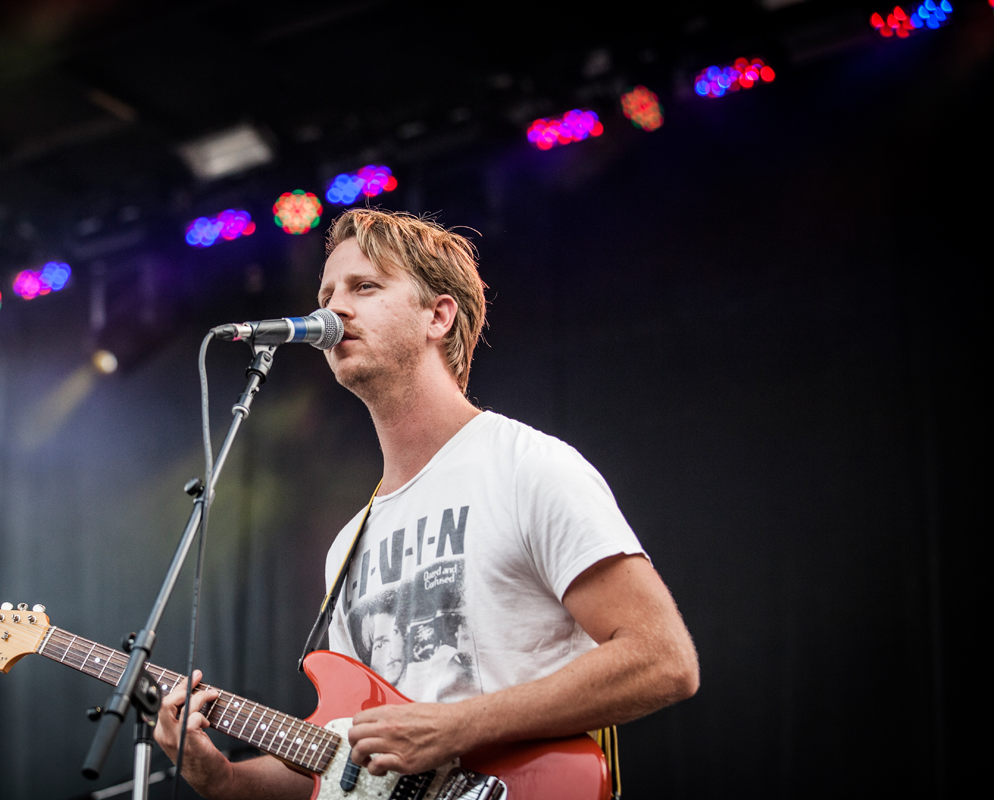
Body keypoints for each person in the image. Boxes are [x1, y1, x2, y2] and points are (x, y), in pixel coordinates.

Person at [154, 209, 700, 799]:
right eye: (327, 292)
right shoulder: (348, 545)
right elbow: (346, 769)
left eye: (365, 286)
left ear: (438, 315)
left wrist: (457, 726)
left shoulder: (524, 465)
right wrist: (222, 777)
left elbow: (663, 658)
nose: (332, 310)